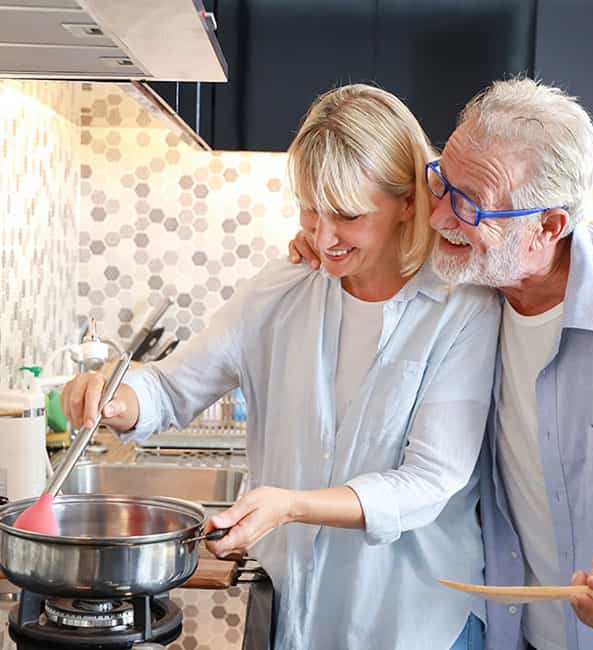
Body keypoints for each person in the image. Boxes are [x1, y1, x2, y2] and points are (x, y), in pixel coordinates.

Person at [62, 84, 500, 650]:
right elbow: (172, 387)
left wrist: (293, 505)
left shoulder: (462, 308)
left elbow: (428, 482)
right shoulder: (282, 290)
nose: (323, 236)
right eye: (310, 210)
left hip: (417, 619)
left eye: (346, 214)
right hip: (299, 612)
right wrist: (117, 399)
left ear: (408, 202)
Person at [290, 77, 593, 650]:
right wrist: (326, 241)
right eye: (442, 181)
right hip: (514, 632)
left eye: (470, 202)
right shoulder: (475, 283)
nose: (440, 214)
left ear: (547, 227)